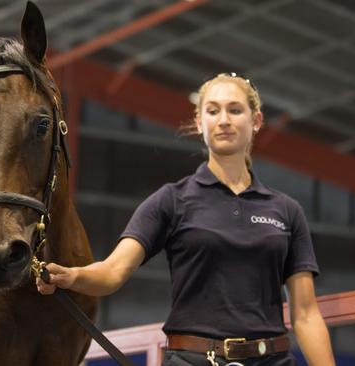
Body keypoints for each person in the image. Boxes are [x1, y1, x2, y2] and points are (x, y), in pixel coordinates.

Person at [37, 73, 335, 366]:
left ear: (256, 121)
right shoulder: (171, 200)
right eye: (213, 110)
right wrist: (71, 276)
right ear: (199, 122)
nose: (224, 120)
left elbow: (306, 314)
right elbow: (113, 272)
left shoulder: (286, 210)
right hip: (192, 360)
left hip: (273, 361)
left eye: (235, 110)